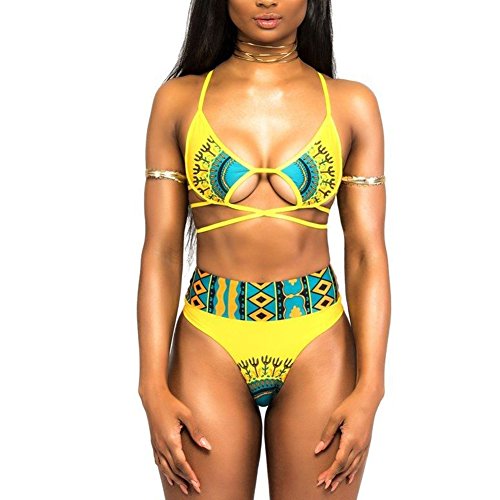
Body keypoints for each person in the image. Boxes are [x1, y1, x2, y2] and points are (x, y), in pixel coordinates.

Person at [137, 0, 391, 498]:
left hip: (318, 341)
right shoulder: (178, 101)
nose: (267, 1)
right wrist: (151, 386)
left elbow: (366, 253)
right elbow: (161, 251)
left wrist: (371, 388)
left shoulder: (352, 104)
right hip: (209, 341)